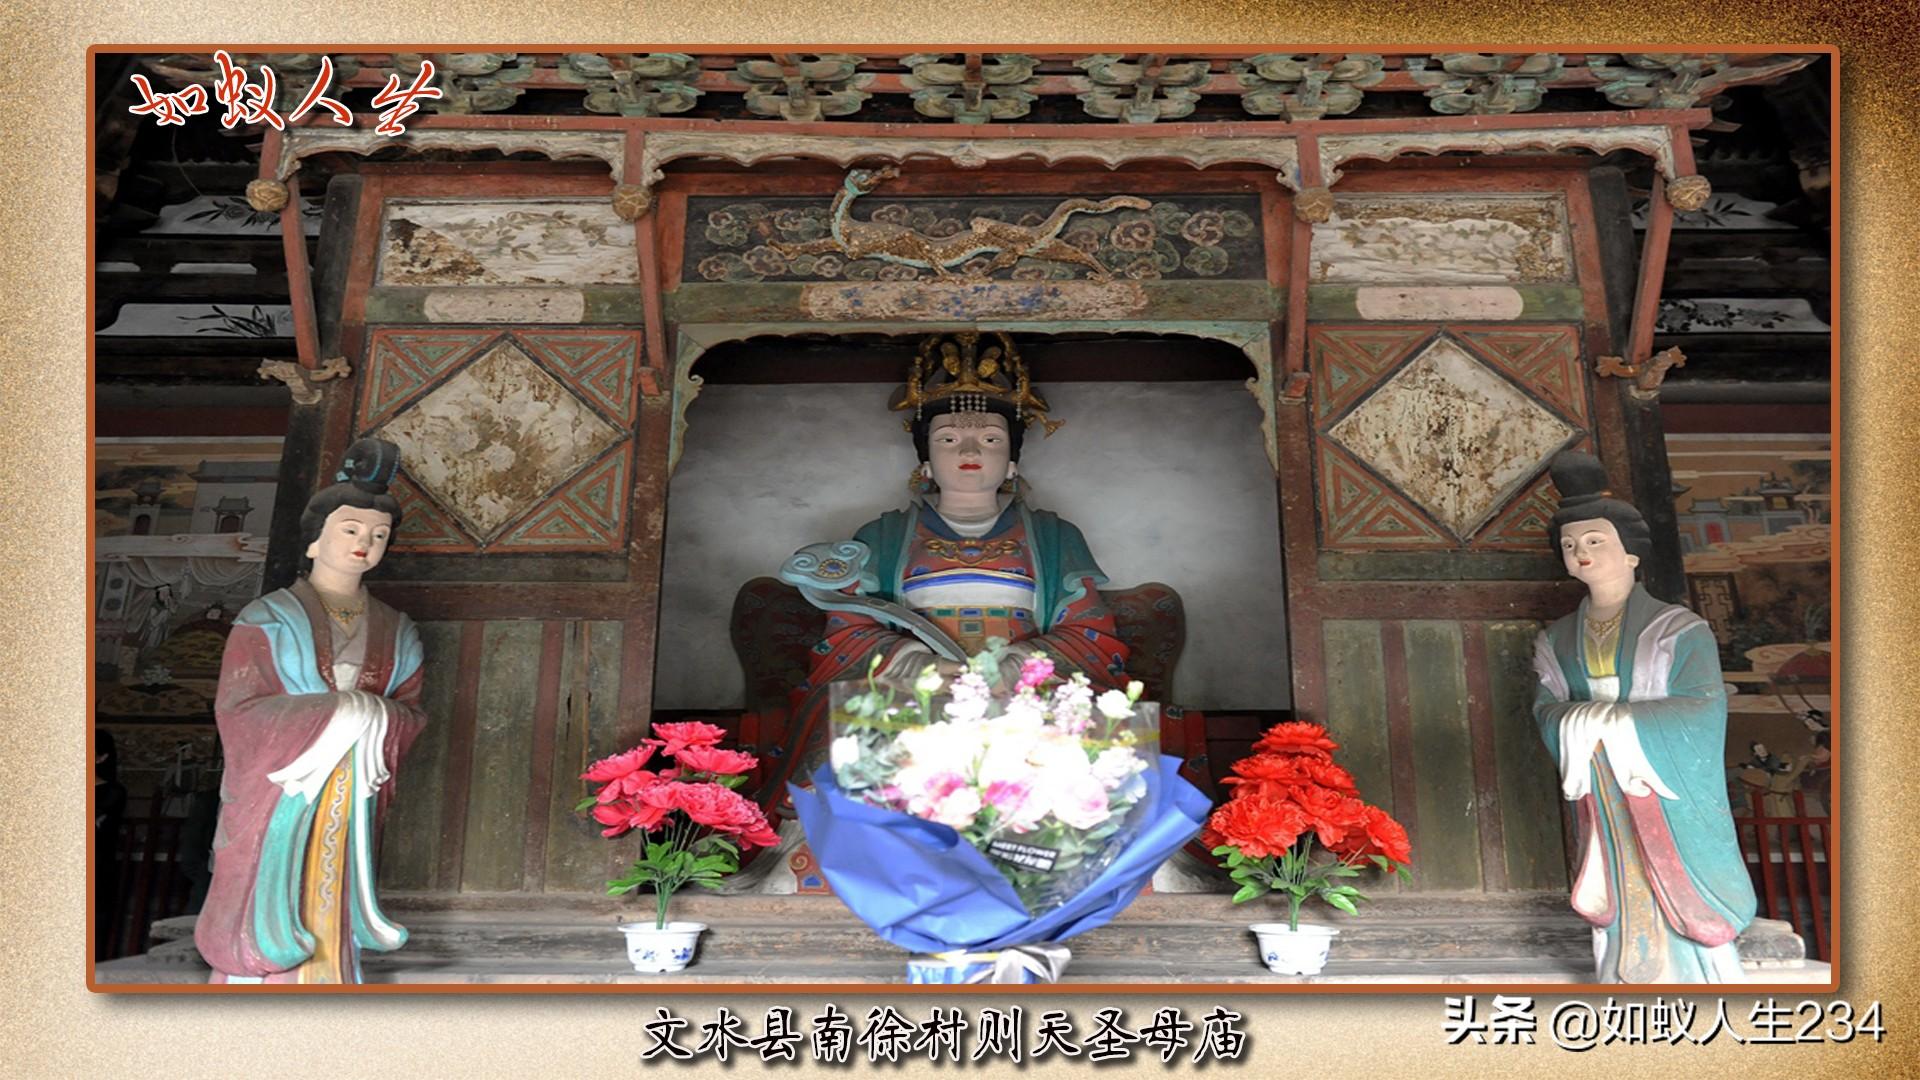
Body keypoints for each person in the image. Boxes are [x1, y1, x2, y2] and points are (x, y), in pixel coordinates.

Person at [766, 331, 1131, 814]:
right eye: (948, 439)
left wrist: (1015, 666)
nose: (969, 450)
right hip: (911, 684)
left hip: (1024, 686)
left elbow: (1090, 633)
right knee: (859, 744)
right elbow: (849, 630)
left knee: (1080, 758)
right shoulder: (882, 536)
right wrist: (920, 665)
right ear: (926, 461)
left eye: (991, 439)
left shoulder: (1053, 535)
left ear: (1012, 461)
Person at [194, 438, 427, 985]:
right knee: (279, 880)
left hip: (353, 782)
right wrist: (339, 711)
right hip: (283, 784)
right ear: (316, 538)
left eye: (378, 536)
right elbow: (239, 709)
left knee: (333, 885)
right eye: (351, 530)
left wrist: (369, 717)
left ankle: (333, 975)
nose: (364, 543)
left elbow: (411, 713)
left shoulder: (397, 628)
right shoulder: (267, 618)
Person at [1531, 450, 1758, 982]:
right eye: (1570, 546)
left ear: (1631, 553)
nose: (1581, 553)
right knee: (1615, 868)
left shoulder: (1679, 629)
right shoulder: (1556, 638)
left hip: (1658, 777)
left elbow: (1702, 705)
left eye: (1595, 541)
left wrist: (1613, 722)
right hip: (1600, 779)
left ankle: (1701, 973)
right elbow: (1546, 708)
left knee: (1673, 870)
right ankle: (1620, 968)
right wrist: (1580, 724)